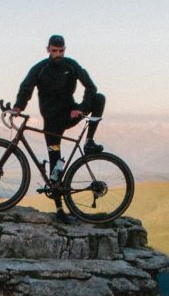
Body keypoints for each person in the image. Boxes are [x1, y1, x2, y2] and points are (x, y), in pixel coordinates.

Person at [12, 34, 105, 222]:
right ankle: (60, 208)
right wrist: (18, 107)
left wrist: (80, 108)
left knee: (99, 99)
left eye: (61, 51)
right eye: (54, 51)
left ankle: (89, 142)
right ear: (48, 50)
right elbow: (26, 87)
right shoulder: (40, 68)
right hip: (52, 122)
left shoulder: (71, 65)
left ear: (64, 50)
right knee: (55, 165)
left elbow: (91, 87)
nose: (58, 55)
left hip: (70, 114)